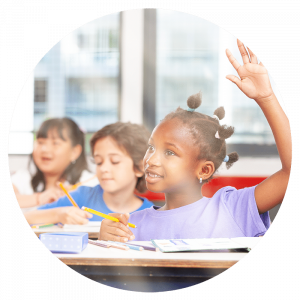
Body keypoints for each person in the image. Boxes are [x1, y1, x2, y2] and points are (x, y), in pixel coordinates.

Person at [99, 38, 292, 242]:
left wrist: (266, 98)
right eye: (151, 147)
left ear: (204, 170)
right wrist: (105, 242)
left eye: (170, 152)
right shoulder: (130, 225)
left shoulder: (233, 208)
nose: (151, 160)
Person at [23, 122, 153, 225]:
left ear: (140, 167)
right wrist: (59, 214)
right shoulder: (81, 196)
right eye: (99, 162)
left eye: (115, 161)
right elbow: (28, 217)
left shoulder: (151, 213)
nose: (104, 169)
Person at [11, 117, 98, 212]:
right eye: (40, 142)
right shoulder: (24, 177)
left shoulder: (89, 182)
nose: (44, 149)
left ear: (75, 152)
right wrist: (40, 198)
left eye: (55, 143)